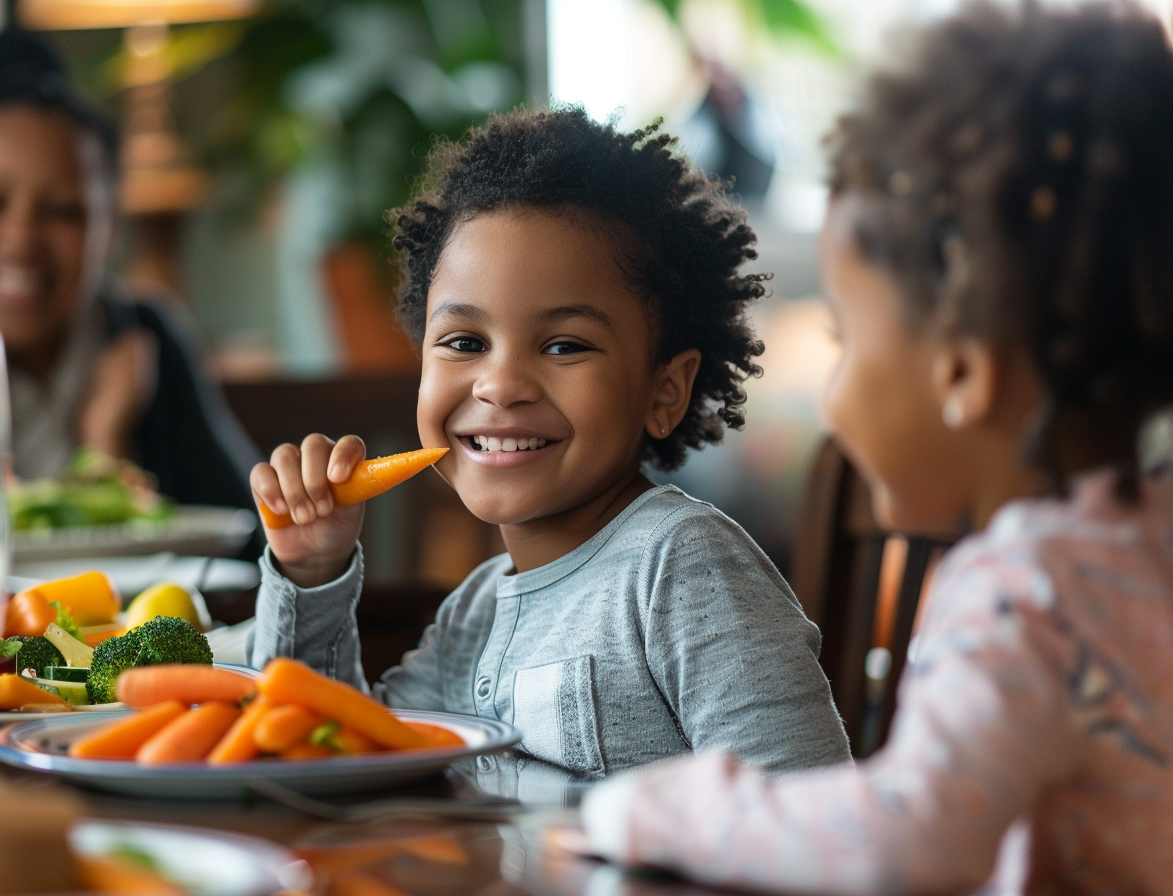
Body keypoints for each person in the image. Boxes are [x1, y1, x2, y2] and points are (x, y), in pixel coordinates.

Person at [573, 3, 1173, 893]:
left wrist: (658, 807)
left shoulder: (1028, 593)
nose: (832, 389)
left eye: (848, 339)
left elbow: (902, 840)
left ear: (962, 372)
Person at [246, 108, 851, 777]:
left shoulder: (682, 568)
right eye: (465, 343)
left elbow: (804, 812)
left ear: (664, 391)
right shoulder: (473, 612)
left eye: (564, 345)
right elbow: (340, 752)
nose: (500, 385)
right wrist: (312, 572)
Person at [0, 30, 260, 517]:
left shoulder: (143, 337)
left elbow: (248, 543)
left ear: (110, 227)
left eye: (60, 210)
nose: (20, 240)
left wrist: (106, 450)